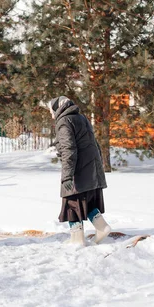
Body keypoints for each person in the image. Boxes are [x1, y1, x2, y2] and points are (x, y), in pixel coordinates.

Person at [49, 96, 111, 246]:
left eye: (51, 110)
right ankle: (102, 228)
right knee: (87, 201)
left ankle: (77, 241)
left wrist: (67, 177)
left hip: (78, 170)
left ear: (58, 108)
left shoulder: (64, 122)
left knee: (72, 203)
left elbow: (69, 150)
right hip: (90, 169)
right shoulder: (81, 118)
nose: (51, 114)